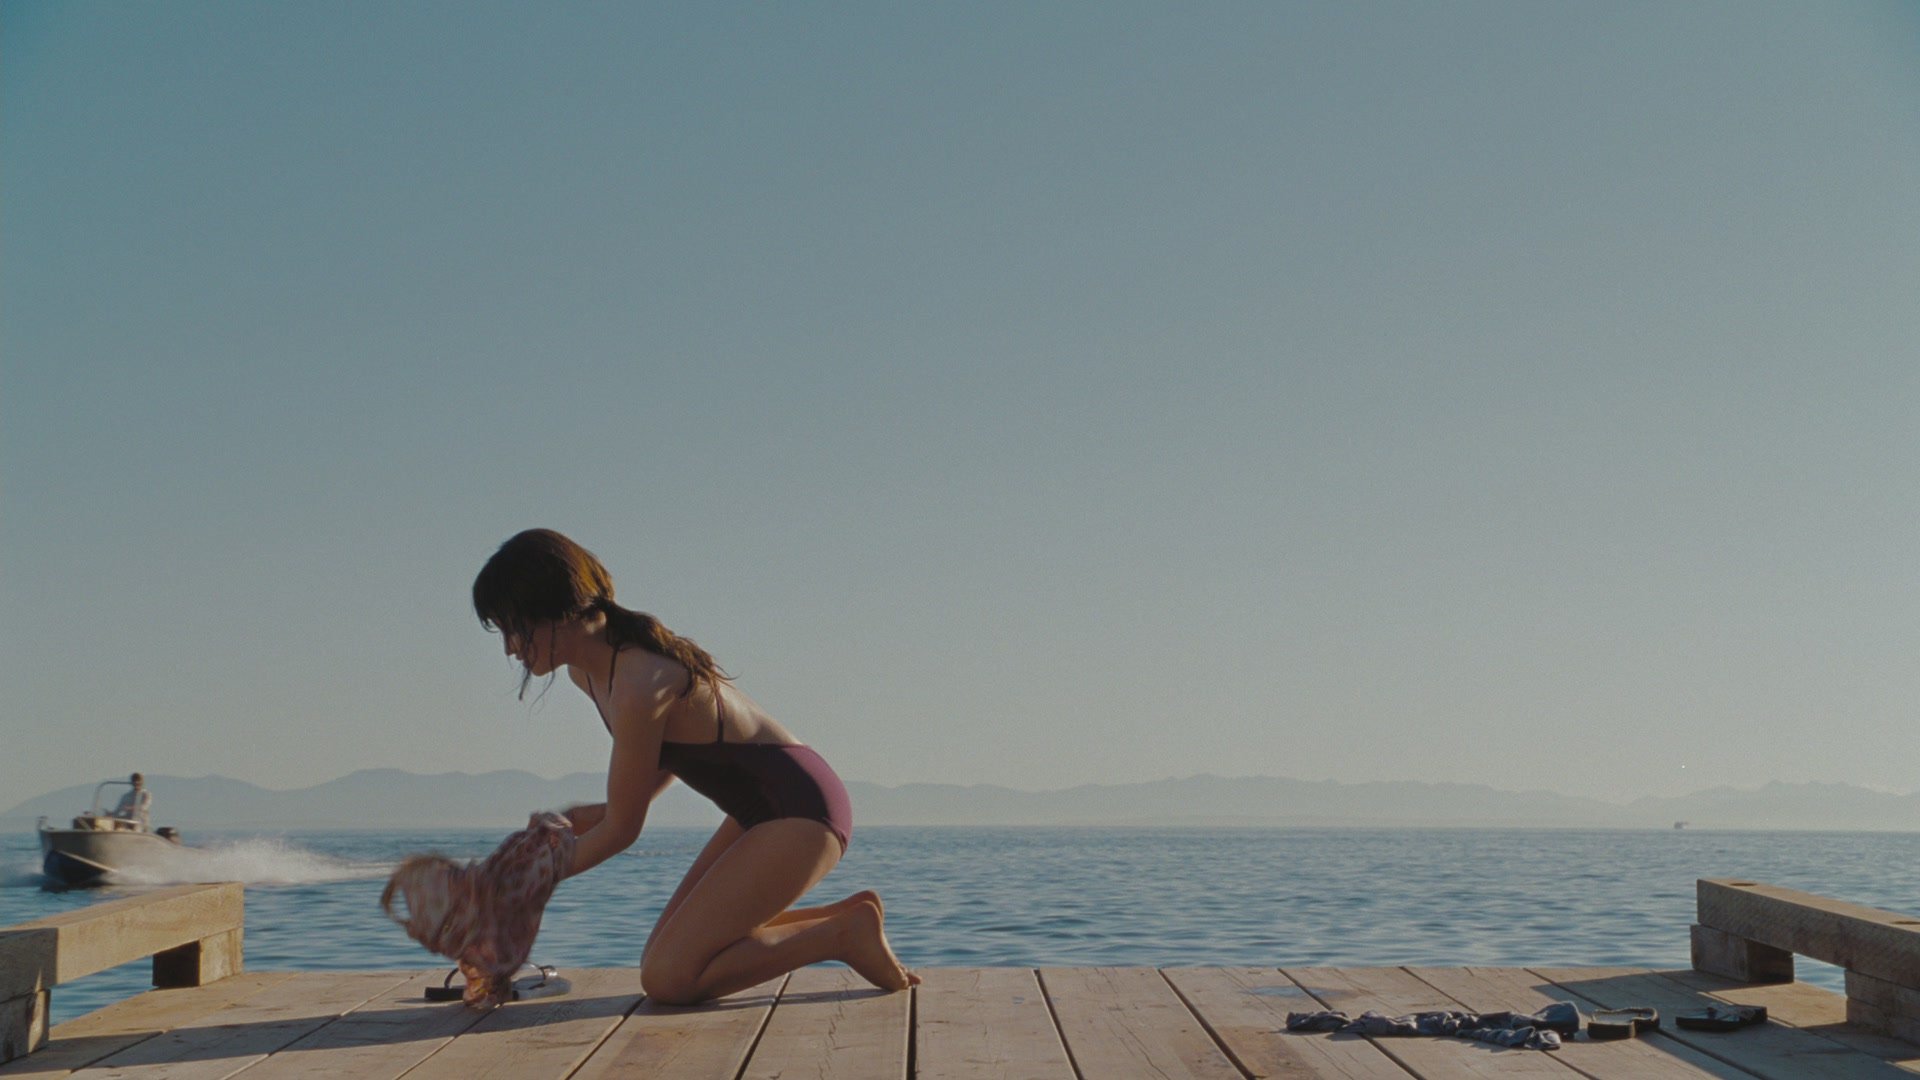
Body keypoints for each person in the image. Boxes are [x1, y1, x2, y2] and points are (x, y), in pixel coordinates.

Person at [471, 528, 918, 1006]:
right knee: (661, 958)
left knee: (670, 978)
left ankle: (842, 936)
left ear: (556, 610)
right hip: (759, 810)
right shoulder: (590, 673)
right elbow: (662, 759)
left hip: (803, 810)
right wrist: (592, 814)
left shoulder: (637, 682)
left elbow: (623, 830)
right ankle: (848, 918)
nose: (510, 648)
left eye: (513, 628)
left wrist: (525, 883)